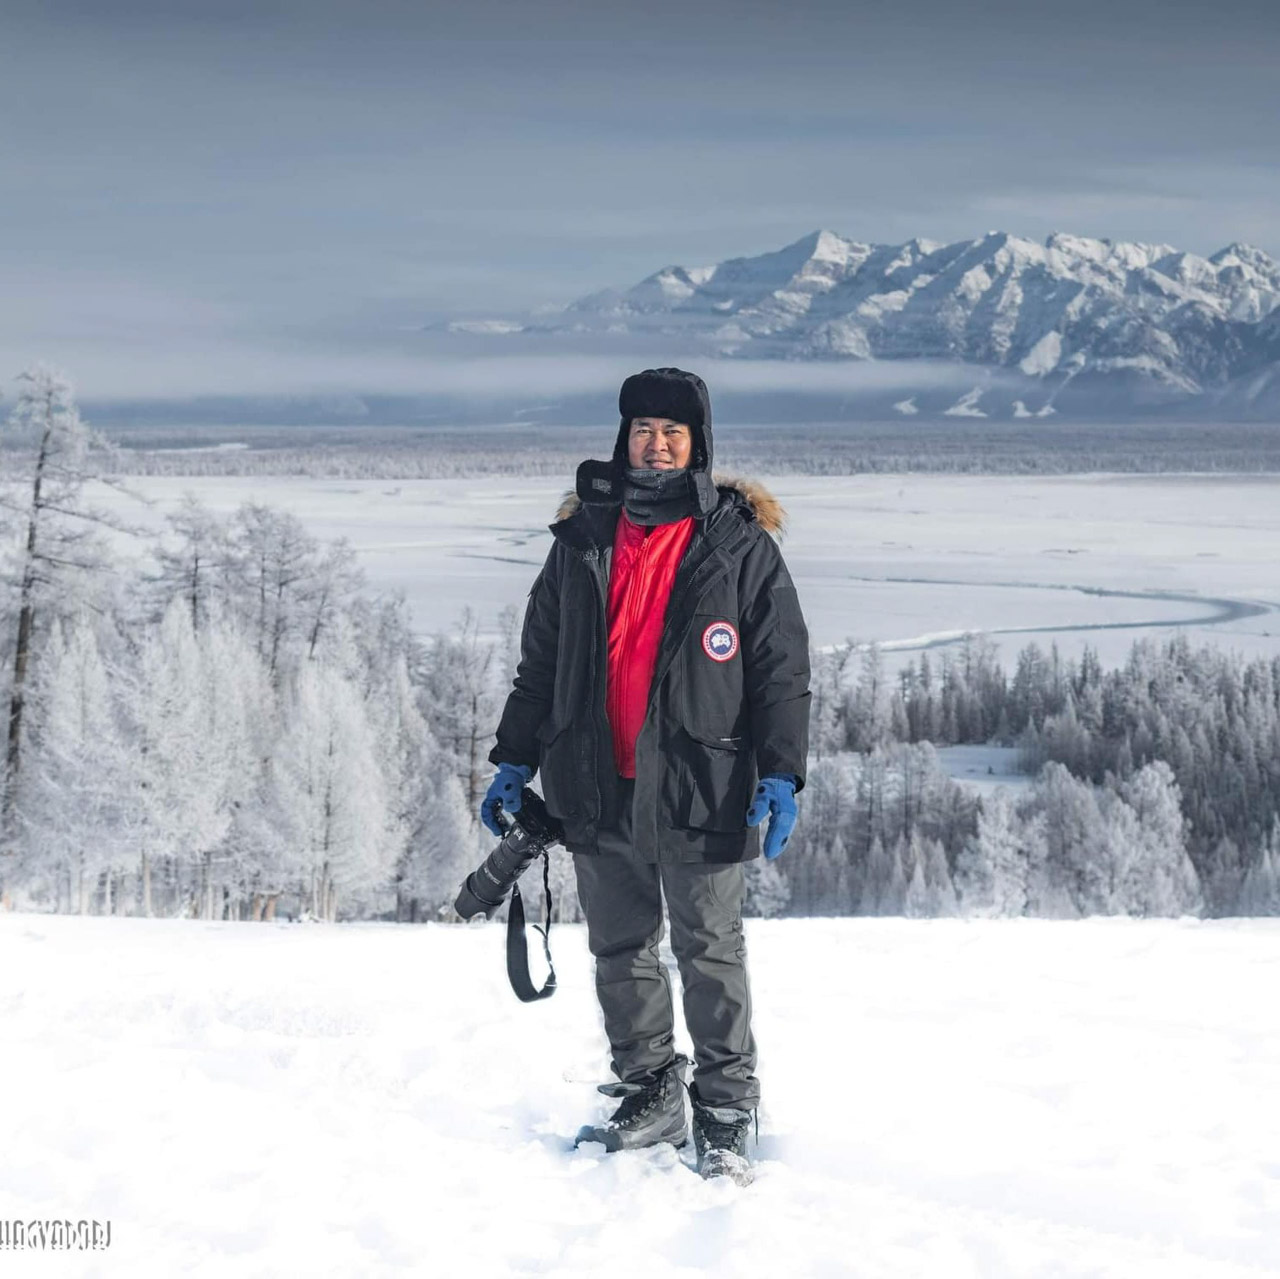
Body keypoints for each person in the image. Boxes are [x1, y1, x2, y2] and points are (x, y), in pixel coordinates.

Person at [482, 367, 810, 1185]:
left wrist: (782, 770)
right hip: (596, 780)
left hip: (703, 782)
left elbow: (780, 670)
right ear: (621, 440)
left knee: (709, 950)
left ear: (699, 445)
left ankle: (727, 1110)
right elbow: (540, 663)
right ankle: (651, 1090)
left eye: (672, 431)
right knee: (620, 946)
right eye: (642, 430)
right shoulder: (583, 539)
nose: (655, 444)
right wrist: (515, 755)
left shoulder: (738, 546)